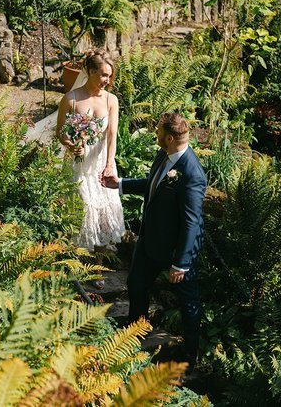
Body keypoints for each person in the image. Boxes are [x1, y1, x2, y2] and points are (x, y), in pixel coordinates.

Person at [101, 112, 206, 372]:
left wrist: (181, 264)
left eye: (158, 132)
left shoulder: (192, 175)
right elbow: (155, 184)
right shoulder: (165, 154)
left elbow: (192, 222)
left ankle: (190, 355)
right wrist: (121, 184)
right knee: (136, 284)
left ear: (169, 138)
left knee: (188, 303)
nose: (155, 134)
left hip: (176, 252)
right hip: (150, 242)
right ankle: (134, 335)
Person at [55, 50, 125, 285]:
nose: (107, 80)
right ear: (91, 71)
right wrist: (71, 145)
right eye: (104, 75)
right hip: (79, 165)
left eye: (110, 76)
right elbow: (60, 133)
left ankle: (98, 270)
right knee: (83, 213)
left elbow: (112, 135)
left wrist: (108, 165)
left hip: (102, 163)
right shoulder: (71, 99)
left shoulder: (110, 100)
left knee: (103, 215)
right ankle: (75, 266)